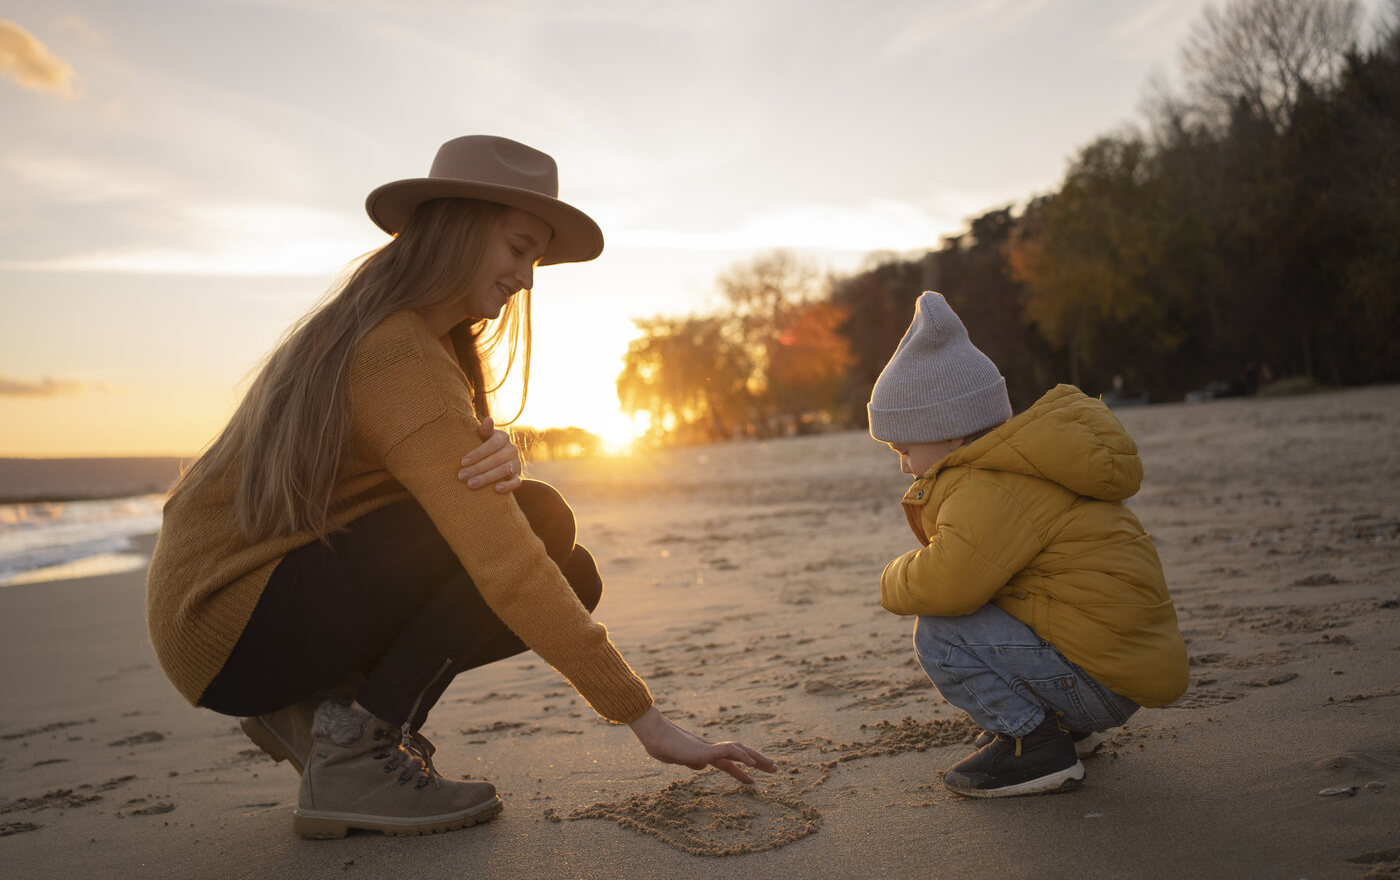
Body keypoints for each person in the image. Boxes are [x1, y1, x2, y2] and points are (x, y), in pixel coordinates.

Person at [146, 135, 776, 840]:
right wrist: (645, 720)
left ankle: (311, 718)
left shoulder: (388, 333)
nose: (527, 279)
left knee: (571, 566)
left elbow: (391, 495)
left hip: (213, 619)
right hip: (230, 621)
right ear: (458, 232)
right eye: (517, 249)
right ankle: (354, 752)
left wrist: (494, 470)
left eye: (535, 259)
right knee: (537, 525)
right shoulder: (398, 353)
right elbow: (502, 558)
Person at [866, 291, 1188, 798]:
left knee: (940, 632)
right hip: (1116, 664)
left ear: (951, 434)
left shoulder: (988, 486)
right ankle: (1067, 728)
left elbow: (951, 583)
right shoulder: (1026, 464)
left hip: (1100, 679)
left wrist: (892, 577)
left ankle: (1036, 748)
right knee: (1005, 592)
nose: (904, 464)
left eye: (905, 448)